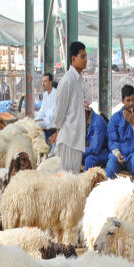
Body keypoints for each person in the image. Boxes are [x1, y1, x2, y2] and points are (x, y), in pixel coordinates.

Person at [52, 42, 88, 173]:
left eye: (86, 56)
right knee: (65, 181)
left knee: (74, 179)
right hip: (68, 139)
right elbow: (59, 112)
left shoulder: (78, 80)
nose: (85, 60)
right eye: (82, 57)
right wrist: (58, 132)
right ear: (73, 58)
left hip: (76, 139)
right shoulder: (67, 80)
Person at [106, 85, 134, 183]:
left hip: (132, 154)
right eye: (128, 100)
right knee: (109, 169)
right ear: (122, 101)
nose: (131, 103)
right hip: (118, 155)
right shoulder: (115, 117)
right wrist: (117, 153)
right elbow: (112, 140)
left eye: (133, 100)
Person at [34, 73, 57, 142]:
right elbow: (42, 110)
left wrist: (42, 120)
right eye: (42, 81)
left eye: (45, 81)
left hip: (53, 123)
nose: (43, 83)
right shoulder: (45, 94)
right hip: (46, 121)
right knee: (32, 124)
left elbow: (53, 113)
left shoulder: (56, 94)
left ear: (50, 82)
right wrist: (36, 119)